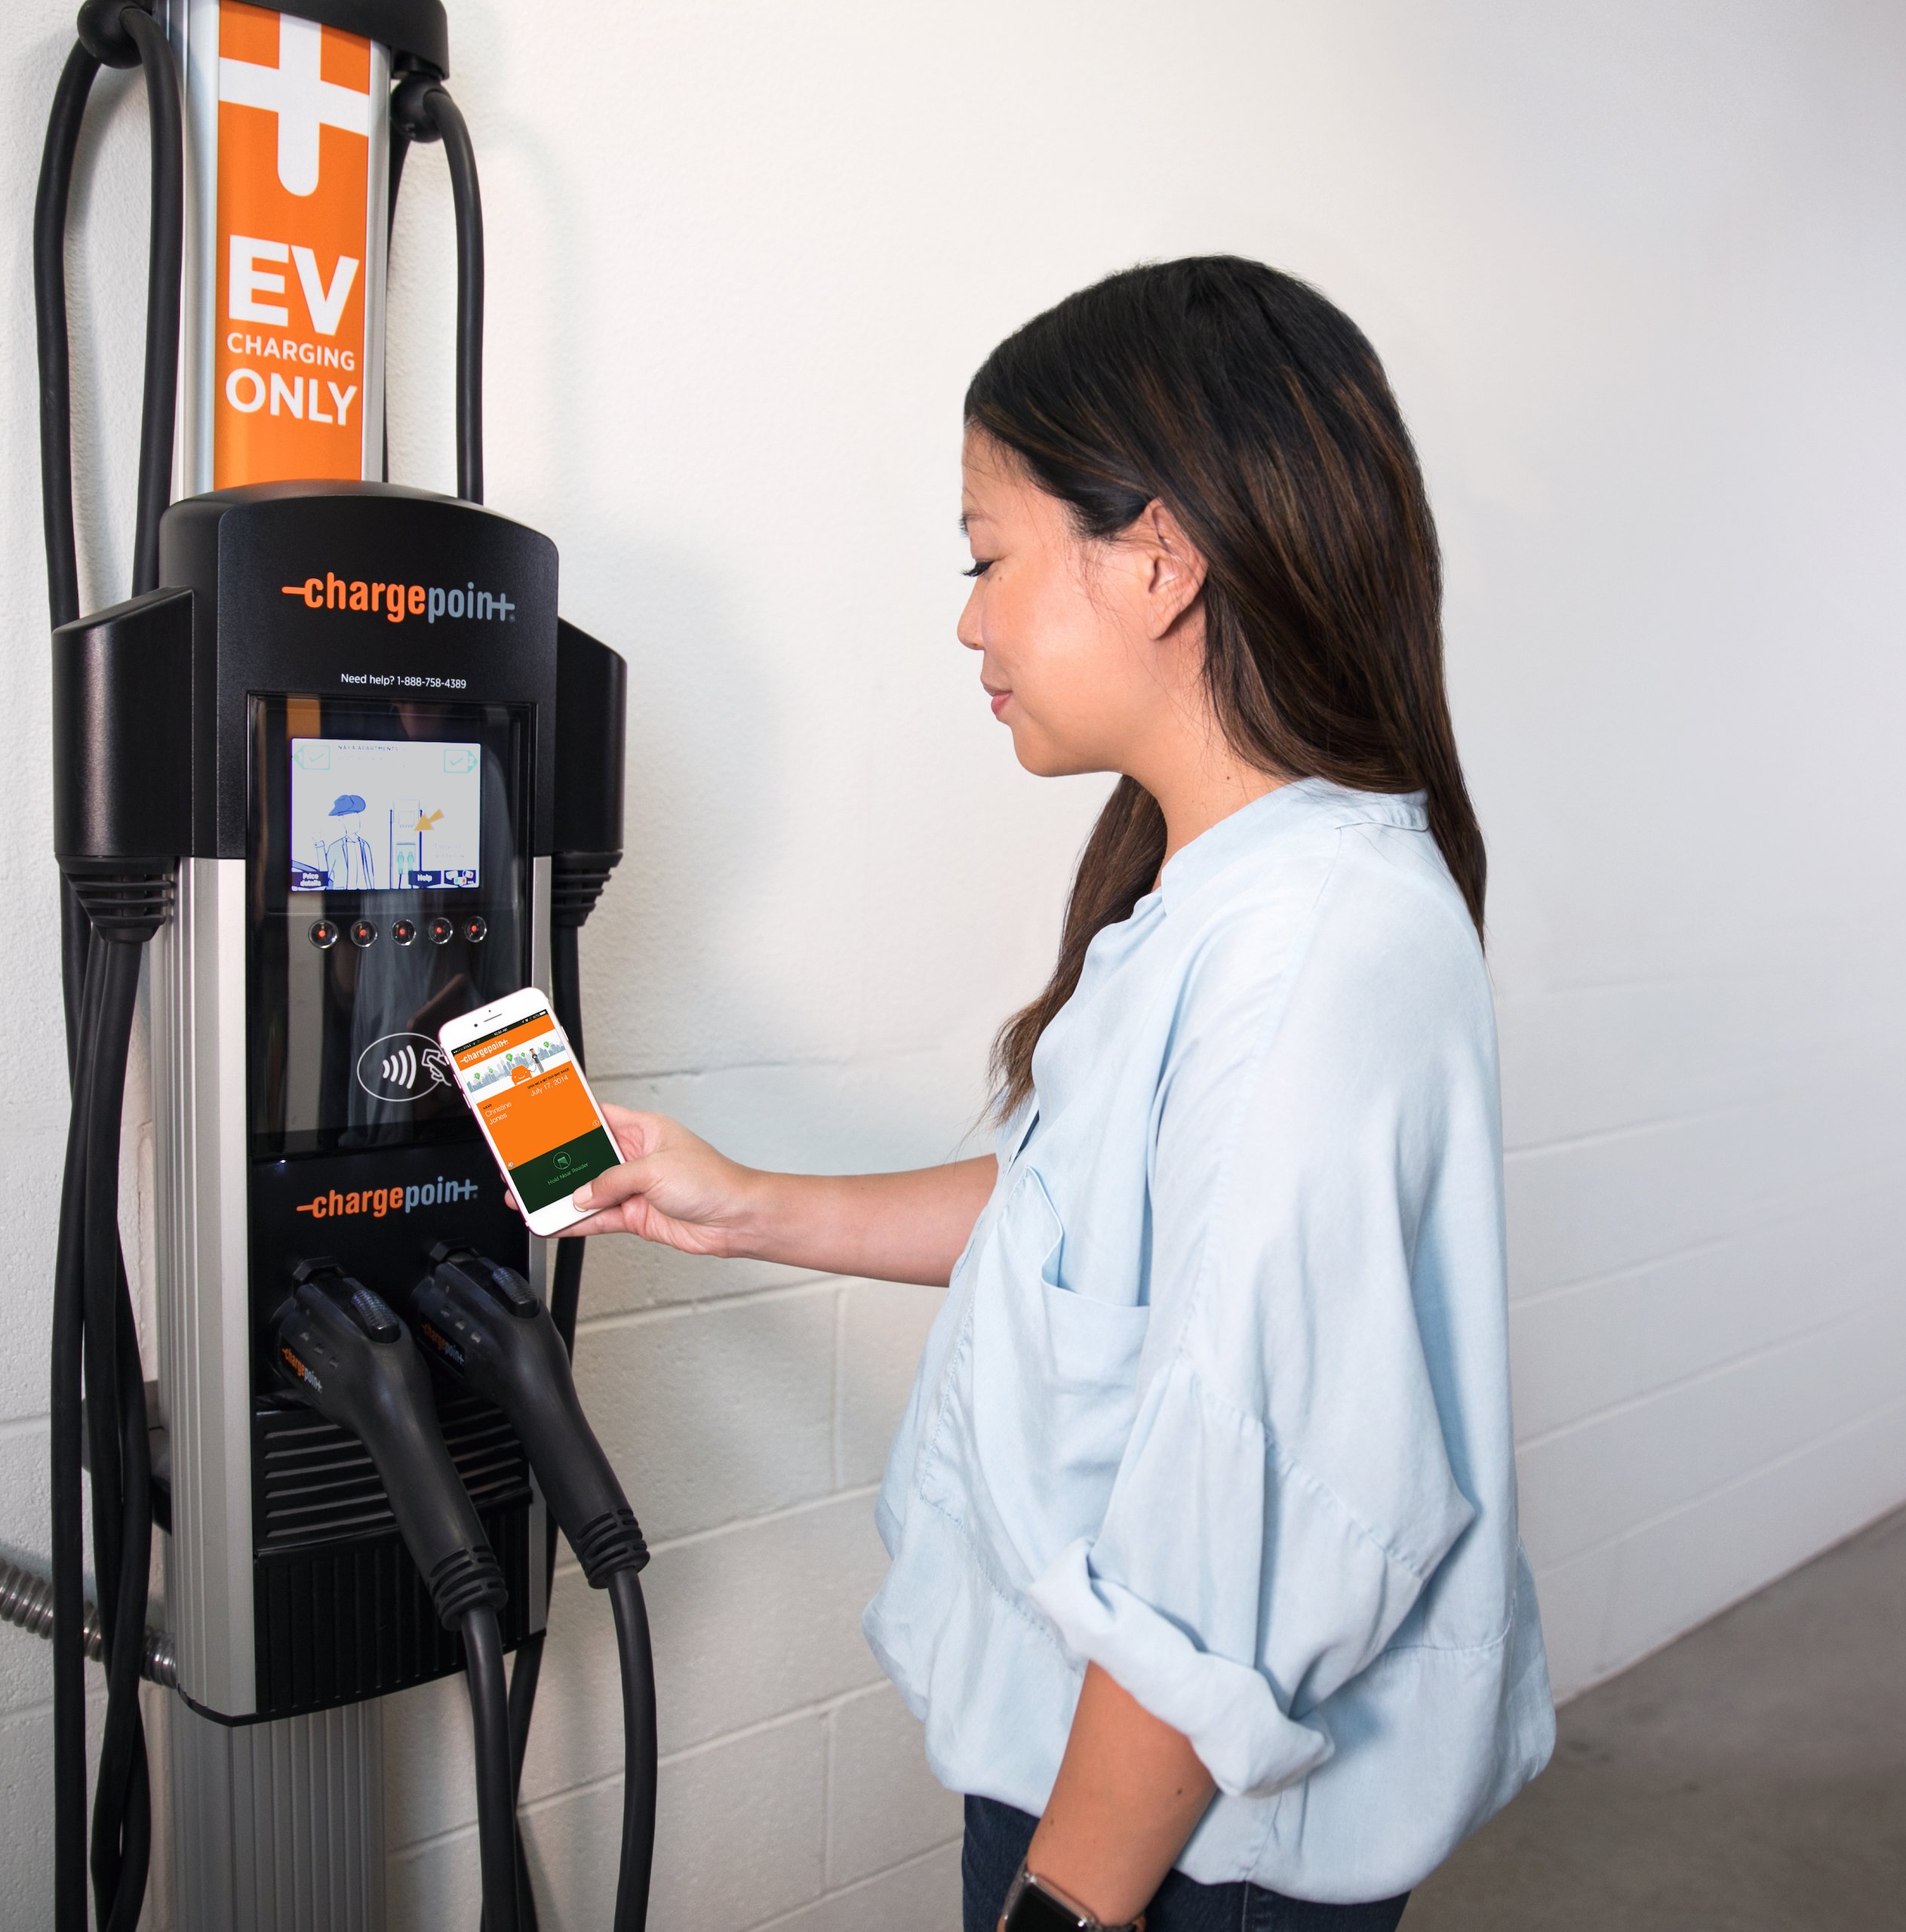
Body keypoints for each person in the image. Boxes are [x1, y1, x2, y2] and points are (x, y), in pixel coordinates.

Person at [556, 256, 1552, 1930]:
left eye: (988, 554)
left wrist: (1067, 1903)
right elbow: (1080, 1221)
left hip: (1171, 1859)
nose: (968, 617)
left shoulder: (1313, 954)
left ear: (1157, 560)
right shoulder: (1216, 901)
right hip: (1099, 1798)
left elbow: (1256, 1512)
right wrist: (747, 1201)